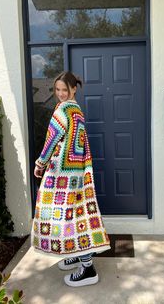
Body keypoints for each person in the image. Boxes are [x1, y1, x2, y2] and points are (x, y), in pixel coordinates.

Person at [31, 71, 111, 287]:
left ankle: (87, 268)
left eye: (64, 90)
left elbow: (51, 139)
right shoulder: (77, 110)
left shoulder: (63, 110)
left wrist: (40, 163)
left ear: (74, 88)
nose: (60, 94)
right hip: (76, 172)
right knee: (76, 213)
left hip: (61, 173)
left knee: (61, 215)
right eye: (57, 90)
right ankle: (76, 253)